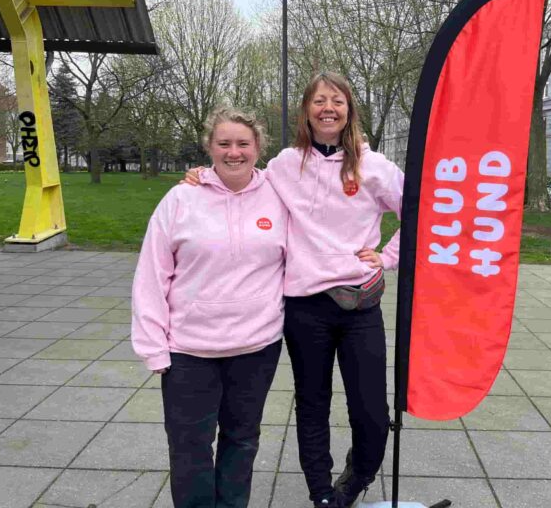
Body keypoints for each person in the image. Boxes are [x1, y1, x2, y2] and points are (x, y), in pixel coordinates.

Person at [185, 72, 403, 508]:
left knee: (372, 412)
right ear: (306, 110)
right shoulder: (286, 164)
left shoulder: (373, 165)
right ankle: (321, 493)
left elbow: (418, 212)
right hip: (305, 308)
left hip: (359, 305)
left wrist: (389, 255)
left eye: (337, 101)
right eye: (319, 100)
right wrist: (201, 175)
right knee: (312, 404)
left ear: (349, 110)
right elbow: (240, 177)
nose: (328, 108)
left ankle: (356, 478)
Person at [132, 107, 288, 508]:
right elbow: (152, 274)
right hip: (189, 350)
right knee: (190, 447)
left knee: (243, 440)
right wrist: (153, 346)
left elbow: (329, 202)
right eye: (224, 143)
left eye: (243, 143)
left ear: (258, 147)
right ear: (209, 147)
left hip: (256, 346)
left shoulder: (281, 193)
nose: (233, 152)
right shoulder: (181, 198)